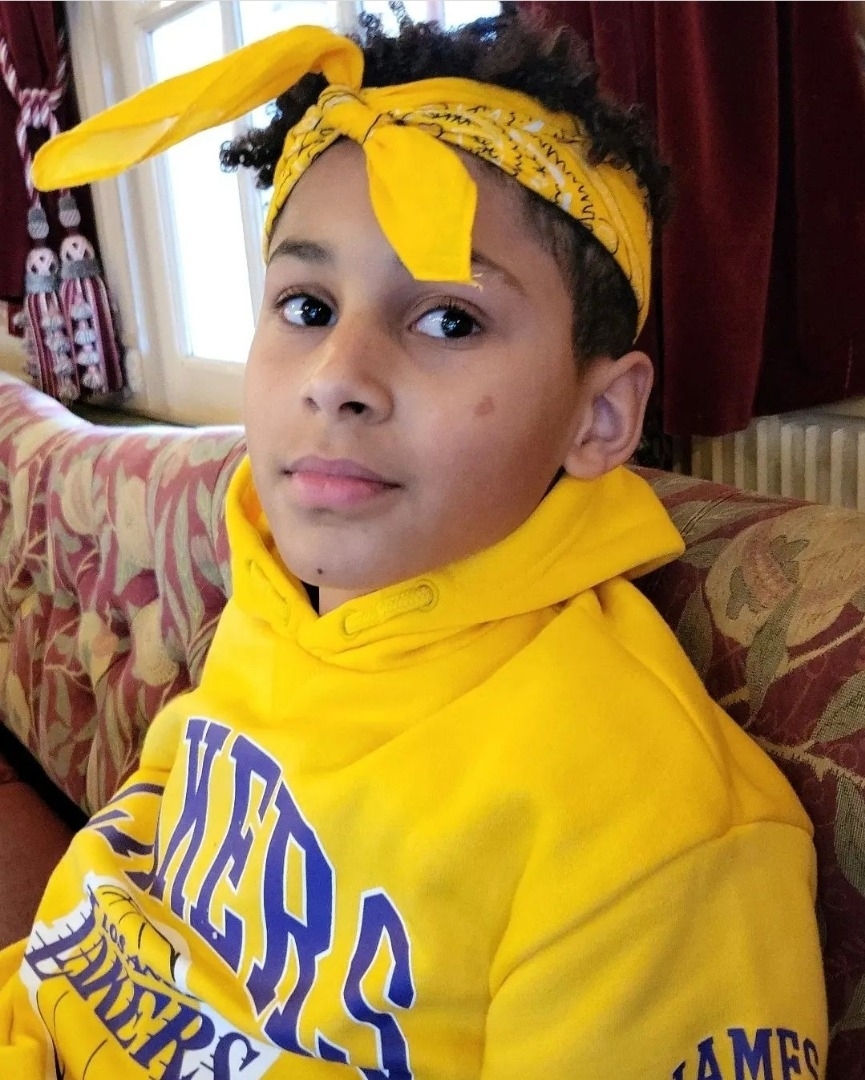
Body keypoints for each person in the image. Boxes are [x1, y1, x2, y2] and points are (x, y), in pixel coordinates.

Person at [0, 7, 826, 1079]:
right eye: (306, 305)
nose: (335, 376)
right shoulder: (282, 591)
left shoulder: (648, 833)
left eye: (447, 320)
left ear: (598, 417)